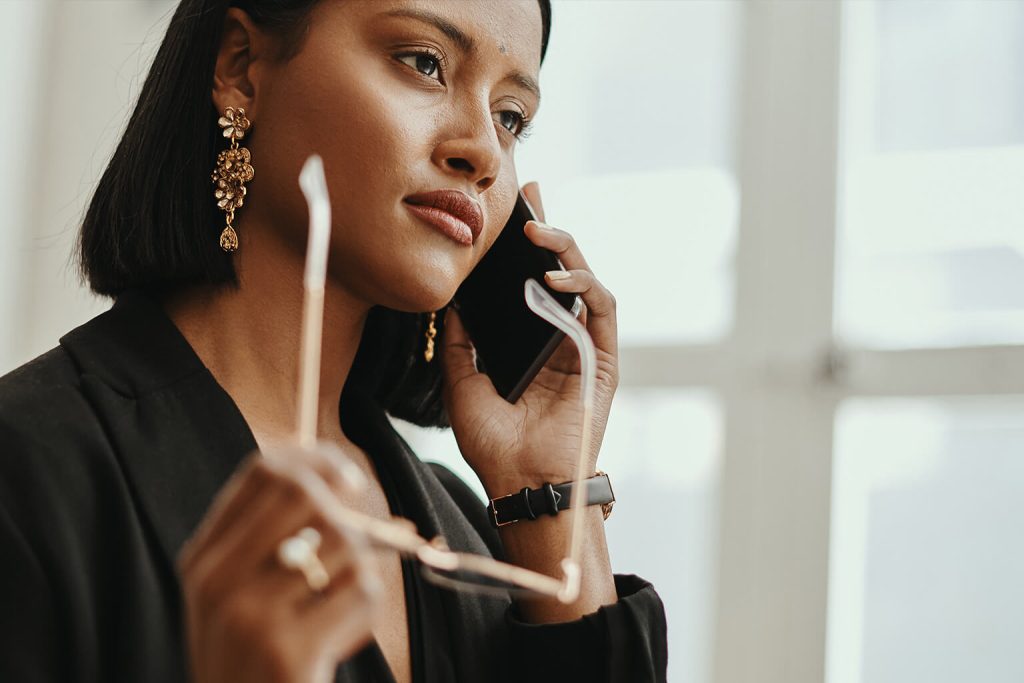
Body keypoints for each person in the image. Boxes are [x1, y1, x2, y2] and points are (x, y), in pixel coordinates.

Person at [0, 1, 668, 681]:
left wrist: (549, 494)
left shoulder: (479, 543)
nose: (483, 152)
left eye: (510, 116)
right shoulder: (28, 471)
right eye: (424, 63)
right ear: (241, 66)